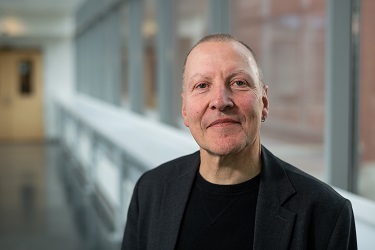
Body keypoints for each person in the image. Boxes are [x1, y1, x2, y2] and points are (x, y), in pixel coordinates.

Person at [121, 33, 357, 249]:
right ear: (184, 109)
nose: (220, 101)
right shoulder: (150, 192)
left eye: (238, 83)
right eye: (202, 85)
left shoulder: (327, 213)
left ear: (264, 103)